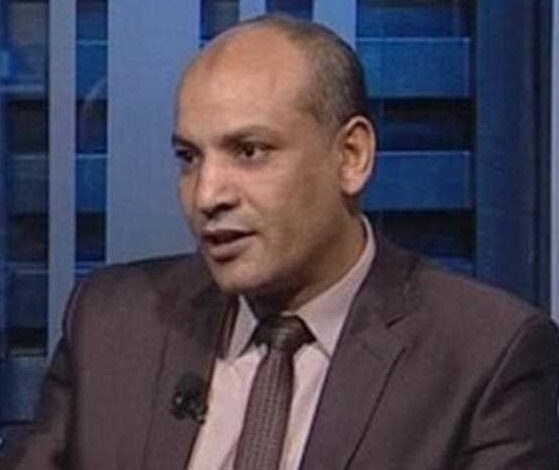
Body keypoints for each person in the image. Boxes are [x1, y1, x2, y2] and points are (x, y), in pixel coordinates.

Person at [2, 14, 559, 470]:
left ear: (351, 157)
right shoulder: (110, 324)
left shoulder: (486, 359)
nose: (207, 194)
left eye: (249, 151)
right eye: (189, 158)